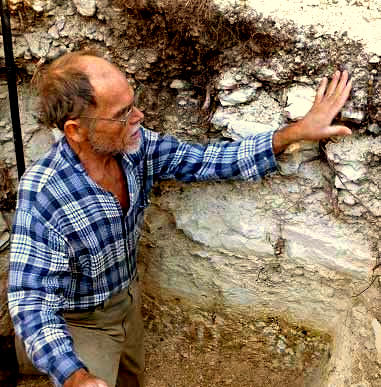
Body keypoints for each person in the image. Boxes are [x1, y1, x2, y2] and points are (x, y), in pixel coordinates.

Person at [7, 50, 352, 387]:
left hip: (126, 298)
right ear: (75, 130)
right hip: (80, 322)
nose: (139, 116)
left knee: (133, 376)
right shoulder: (44, 195)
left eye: (133, 103)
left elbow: (204, 161)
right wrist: (74, 376)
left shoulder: (135, 148)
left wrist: (294, 133)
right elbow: (30, 301)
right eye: (123, 113)